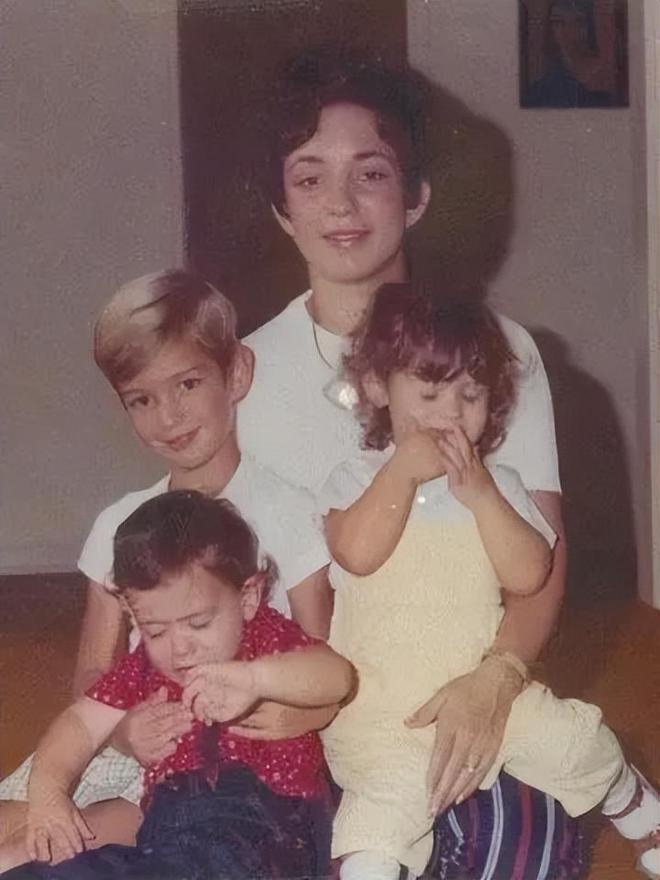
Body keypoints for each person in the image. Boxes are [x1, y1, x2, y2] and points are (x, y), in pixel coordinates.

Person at [237, 49, 577, 877]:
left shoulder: (498, 352)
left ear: (417, 195)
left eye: (371, 173)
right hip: (297, 703)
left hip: (448, 692)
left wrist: (496, 680)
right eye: (309, 178)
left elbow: (543, 556)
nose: (341, 204)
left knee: (524, 844)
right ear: (282, 209)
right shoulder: (242, 371)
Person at [317, 282, 660, 880]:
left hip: (487, 696)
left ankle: (635, 805)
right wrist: (401, 473)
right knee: (384, 808)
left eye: (470, 396)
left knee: (573, 741)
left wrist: (482, 497)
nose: (450, 414)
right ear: (376, 387)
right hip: (384, 712)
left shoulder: (498, 485)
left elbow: (530, 573)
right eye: (429, 393)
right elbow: (355, 553)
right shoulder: (356, 478)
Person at [0, 270, 335, 870]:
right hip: (124, 736)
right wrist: (126, 731)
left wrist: (305, 713)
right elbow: (92, 676)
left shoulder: (292, 514)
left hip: (229, 766)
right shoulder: (121, 525)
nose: (169, 417)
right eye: (142, 400)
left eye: (187, 384)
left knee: (32, 853)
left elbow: (327, 659)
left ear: (237, 374)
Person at [0, 490, 354, 880]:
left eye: (198, 623)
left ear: (248, 597)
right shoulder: (145, 668)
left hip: (267, 830)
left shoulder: (265, 638)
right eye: (155, 631)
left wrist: (255, 679)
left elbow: (337, 676)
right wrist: (47, 791)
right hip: (165, 835)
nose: (179, 648)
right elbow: (80, 724)